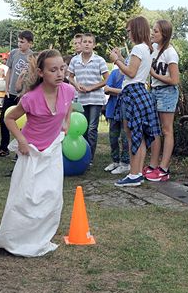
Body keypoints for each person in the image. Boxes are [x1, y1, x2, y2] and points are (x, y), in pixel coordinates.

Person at [0, 49, 75, 257]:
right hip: (31, 152)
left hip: (52, 151)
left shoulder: (68, 90)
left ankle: (38, 237)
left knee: (50, 195)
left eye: (62, 68)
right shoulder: (30, 98)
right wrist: (21, 140)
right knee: (26, 197)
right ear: (41, 73)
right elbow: (9, 118)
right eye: (53, 70)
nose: (59, 73)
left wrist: (66, 122)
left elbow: (68, 106)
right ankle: (16, 236)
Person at [108, 16, 160, 187]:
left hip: (132, 93)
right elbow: (134, 70)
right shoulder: (146, 48)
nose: (128, 34)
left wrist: (115, 60)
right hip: (140, 91)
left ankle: (133, 175)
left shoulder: (138, 48)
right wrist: (121, 58)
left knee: (131, 136)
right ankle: (136, 173)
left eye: (129, 30)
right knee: (140, 136)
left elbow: (130, 73)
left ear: (137, 29)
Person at [144, 19, 181, 182]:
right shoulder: (154, 49)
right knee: (154, 129)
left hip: (167, 92)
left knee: (166, 130)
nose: (152, 33)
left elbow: (174, 80)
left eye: (156, 31)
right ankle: (153, 165)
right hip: (155, 91)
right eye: (152, 30)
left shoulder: (170, 53)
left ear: (164, 34)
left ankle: (164, 168)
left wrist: (154, 75)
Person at [0, 30, 33, 157]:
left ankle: (19, 149)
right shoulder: (14, 53)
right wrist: (7, 88)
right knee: (4, 119)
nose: (19, 44)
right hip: (11, 93)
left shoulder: (32, 57)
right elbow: (9, 71)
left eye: (22, 42)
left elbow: (32, 76)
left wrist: (26, 92)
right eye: (18, 41)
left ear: (30, 43)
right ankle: (3, 147)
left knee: (21, 122)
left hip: (23, 94)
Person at [67, 33, 109, 164]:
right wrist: (76, 84)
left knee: (92, 128)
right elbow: (70, 77)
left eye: (90, 42)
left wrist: (92, 87)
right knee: (82, 128)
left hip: (95, 99)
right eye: (84, 41)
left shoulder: (99, 60)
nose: (86, 44)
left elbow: (107, 79)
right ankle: (82, 154)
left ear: (94, 45)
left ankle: (90, 157)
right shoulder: (75, 60)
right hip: (81, 99)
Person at [103, 63, 130, 174]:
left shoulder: (130, 75)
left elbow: (127, 91)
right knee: (113, 138)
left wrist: (112, 89)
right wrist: (118, 91)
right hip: (112, 110)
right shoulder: (114, 73)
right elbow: (106, 90)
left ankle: (125, 163)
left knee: (125, 138)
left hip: (125, 111)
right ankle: (115, 161)